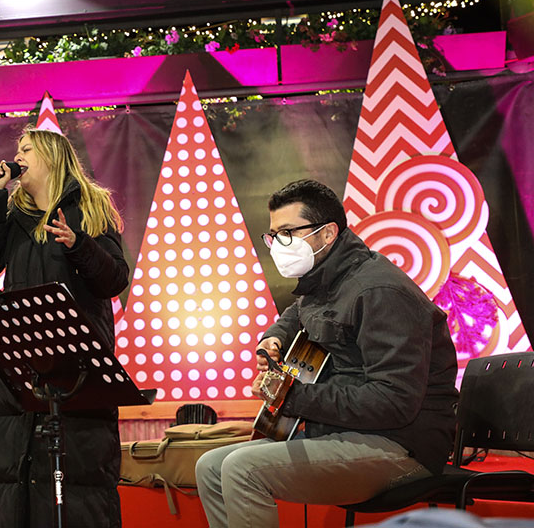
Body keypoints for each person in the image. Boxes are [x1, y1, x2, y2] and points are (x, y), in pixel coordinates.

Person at [194, 179, 459, 528]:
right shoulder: (328, 278)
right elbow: (299, 311)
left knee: (242, 470)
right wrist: (274, 338)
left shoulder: (379, 290)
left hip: (402, 446)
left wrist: (292, 396)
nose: (279, 245)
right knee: (210, 467)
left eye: (288, 233)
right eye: (274, 235)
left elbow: (394, 401)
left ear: (328, 233)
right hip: (346, 432)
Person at [0, 126, 130, 528]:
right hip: (19, 369)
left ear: (53, 157)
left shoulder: (90, 207)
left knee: (75, 489)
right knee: (13, 484)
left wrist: (78, 244)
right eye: (18, 149)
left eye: (27, 149)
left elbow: (114, 279)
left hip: (75, 371)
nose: (17, 156)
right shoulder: (14, 216)